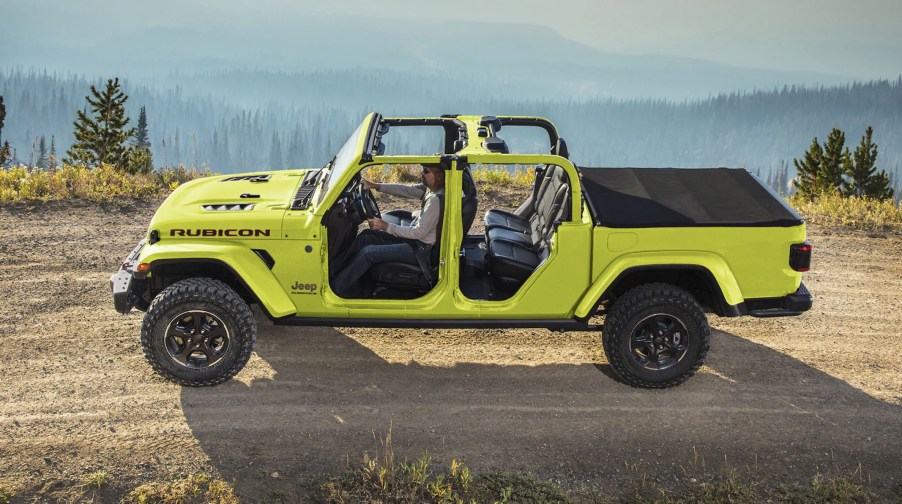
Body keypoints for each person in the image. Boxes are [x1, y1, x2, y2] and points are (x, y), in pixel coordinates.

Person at [330, 163, 446, 298]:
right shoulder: (430, 190)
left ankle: (335, 290)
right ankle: (334, 271)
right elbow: (406, 190)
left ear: (438, 176)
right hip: (415, 241)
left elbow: (418, 233)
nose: (422, 173)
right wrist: (375, 185)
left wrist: (384, 226)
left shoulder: (436, 201)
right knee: (366, 236)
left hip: (420, 249)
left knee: (368, 253)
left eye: (426, 171)